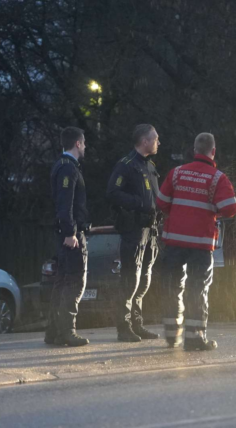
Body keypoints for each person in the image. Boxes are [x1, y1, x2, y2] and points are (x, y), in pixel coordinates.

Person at [157, 132, 236, 351]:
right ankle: (194, 338)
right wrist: (213, 212)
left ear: (194, 150)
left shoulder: (176, 173)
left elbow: (162, 201)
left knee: (172, 286)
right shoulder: (217, 178)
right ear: (213, 152)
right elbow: (231, 208)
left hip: (174, 241)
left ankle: (171, 334)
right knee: (197, 289)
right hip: (201, 244)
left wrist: (178, 213)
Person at [106, 124, 162, 342]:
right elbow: (112, 193)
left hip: (150, 229)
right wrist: (138, 204)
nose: (158, 142)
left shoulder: (150, 166)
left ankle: (138, 324)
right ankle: (124, 327)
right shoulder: (126, 165)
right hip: (134, 230)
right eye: (155, 138)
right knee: (130, 279)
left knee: (144, 280)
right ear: (144, 141)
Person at [44, 127, 90, 347]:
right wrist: (70, 232)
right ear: (78, 144)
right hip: (70, 236)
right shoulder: (68, 169)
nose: (85, 147)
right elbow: (65, 205)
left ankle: (54, 332)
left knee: (62, 283)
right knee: (74, 282)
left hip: (66, 234)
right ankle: (66, 331)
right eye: (84, 143)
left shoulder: (64, 166)